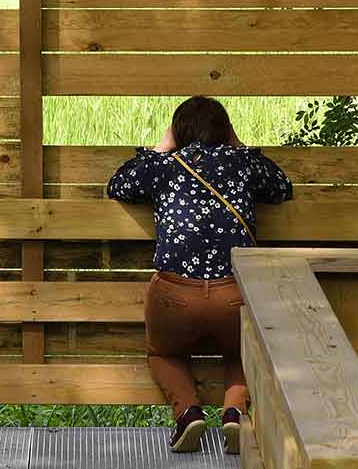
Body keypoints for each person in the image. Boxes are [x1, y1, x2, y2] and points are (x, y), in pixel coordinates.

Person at [105, 96, 293, 454]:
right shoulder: (242, 163)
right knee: (245, 352)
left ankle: (188, 413)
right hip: (233, 291)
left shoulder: (163, 166)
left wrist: (160, 148)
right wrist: (240, 147)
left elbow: (118, 185)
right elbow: (282, 187)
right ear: (226, 131)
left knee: (162, 354)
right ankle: (235, 414)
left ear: (178, 131)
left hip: (176, 293)